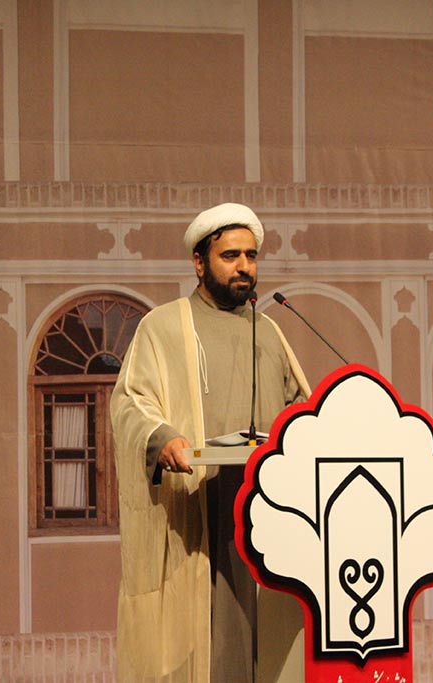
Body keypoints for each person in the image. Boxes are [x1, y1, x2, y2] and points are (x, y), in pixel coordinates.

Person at [111, 203, 310, 682]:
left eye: (251, 256)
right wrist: (162, 438)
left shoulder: (269, 331)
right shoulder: (162, 327)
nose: (244, 266)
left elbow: (301, 412)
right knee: (205, 650)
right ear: (199, 263)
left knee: (267, 646)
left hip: (267, 515)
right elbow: (131, 401)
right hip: (198, 514)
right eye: (230, 256)